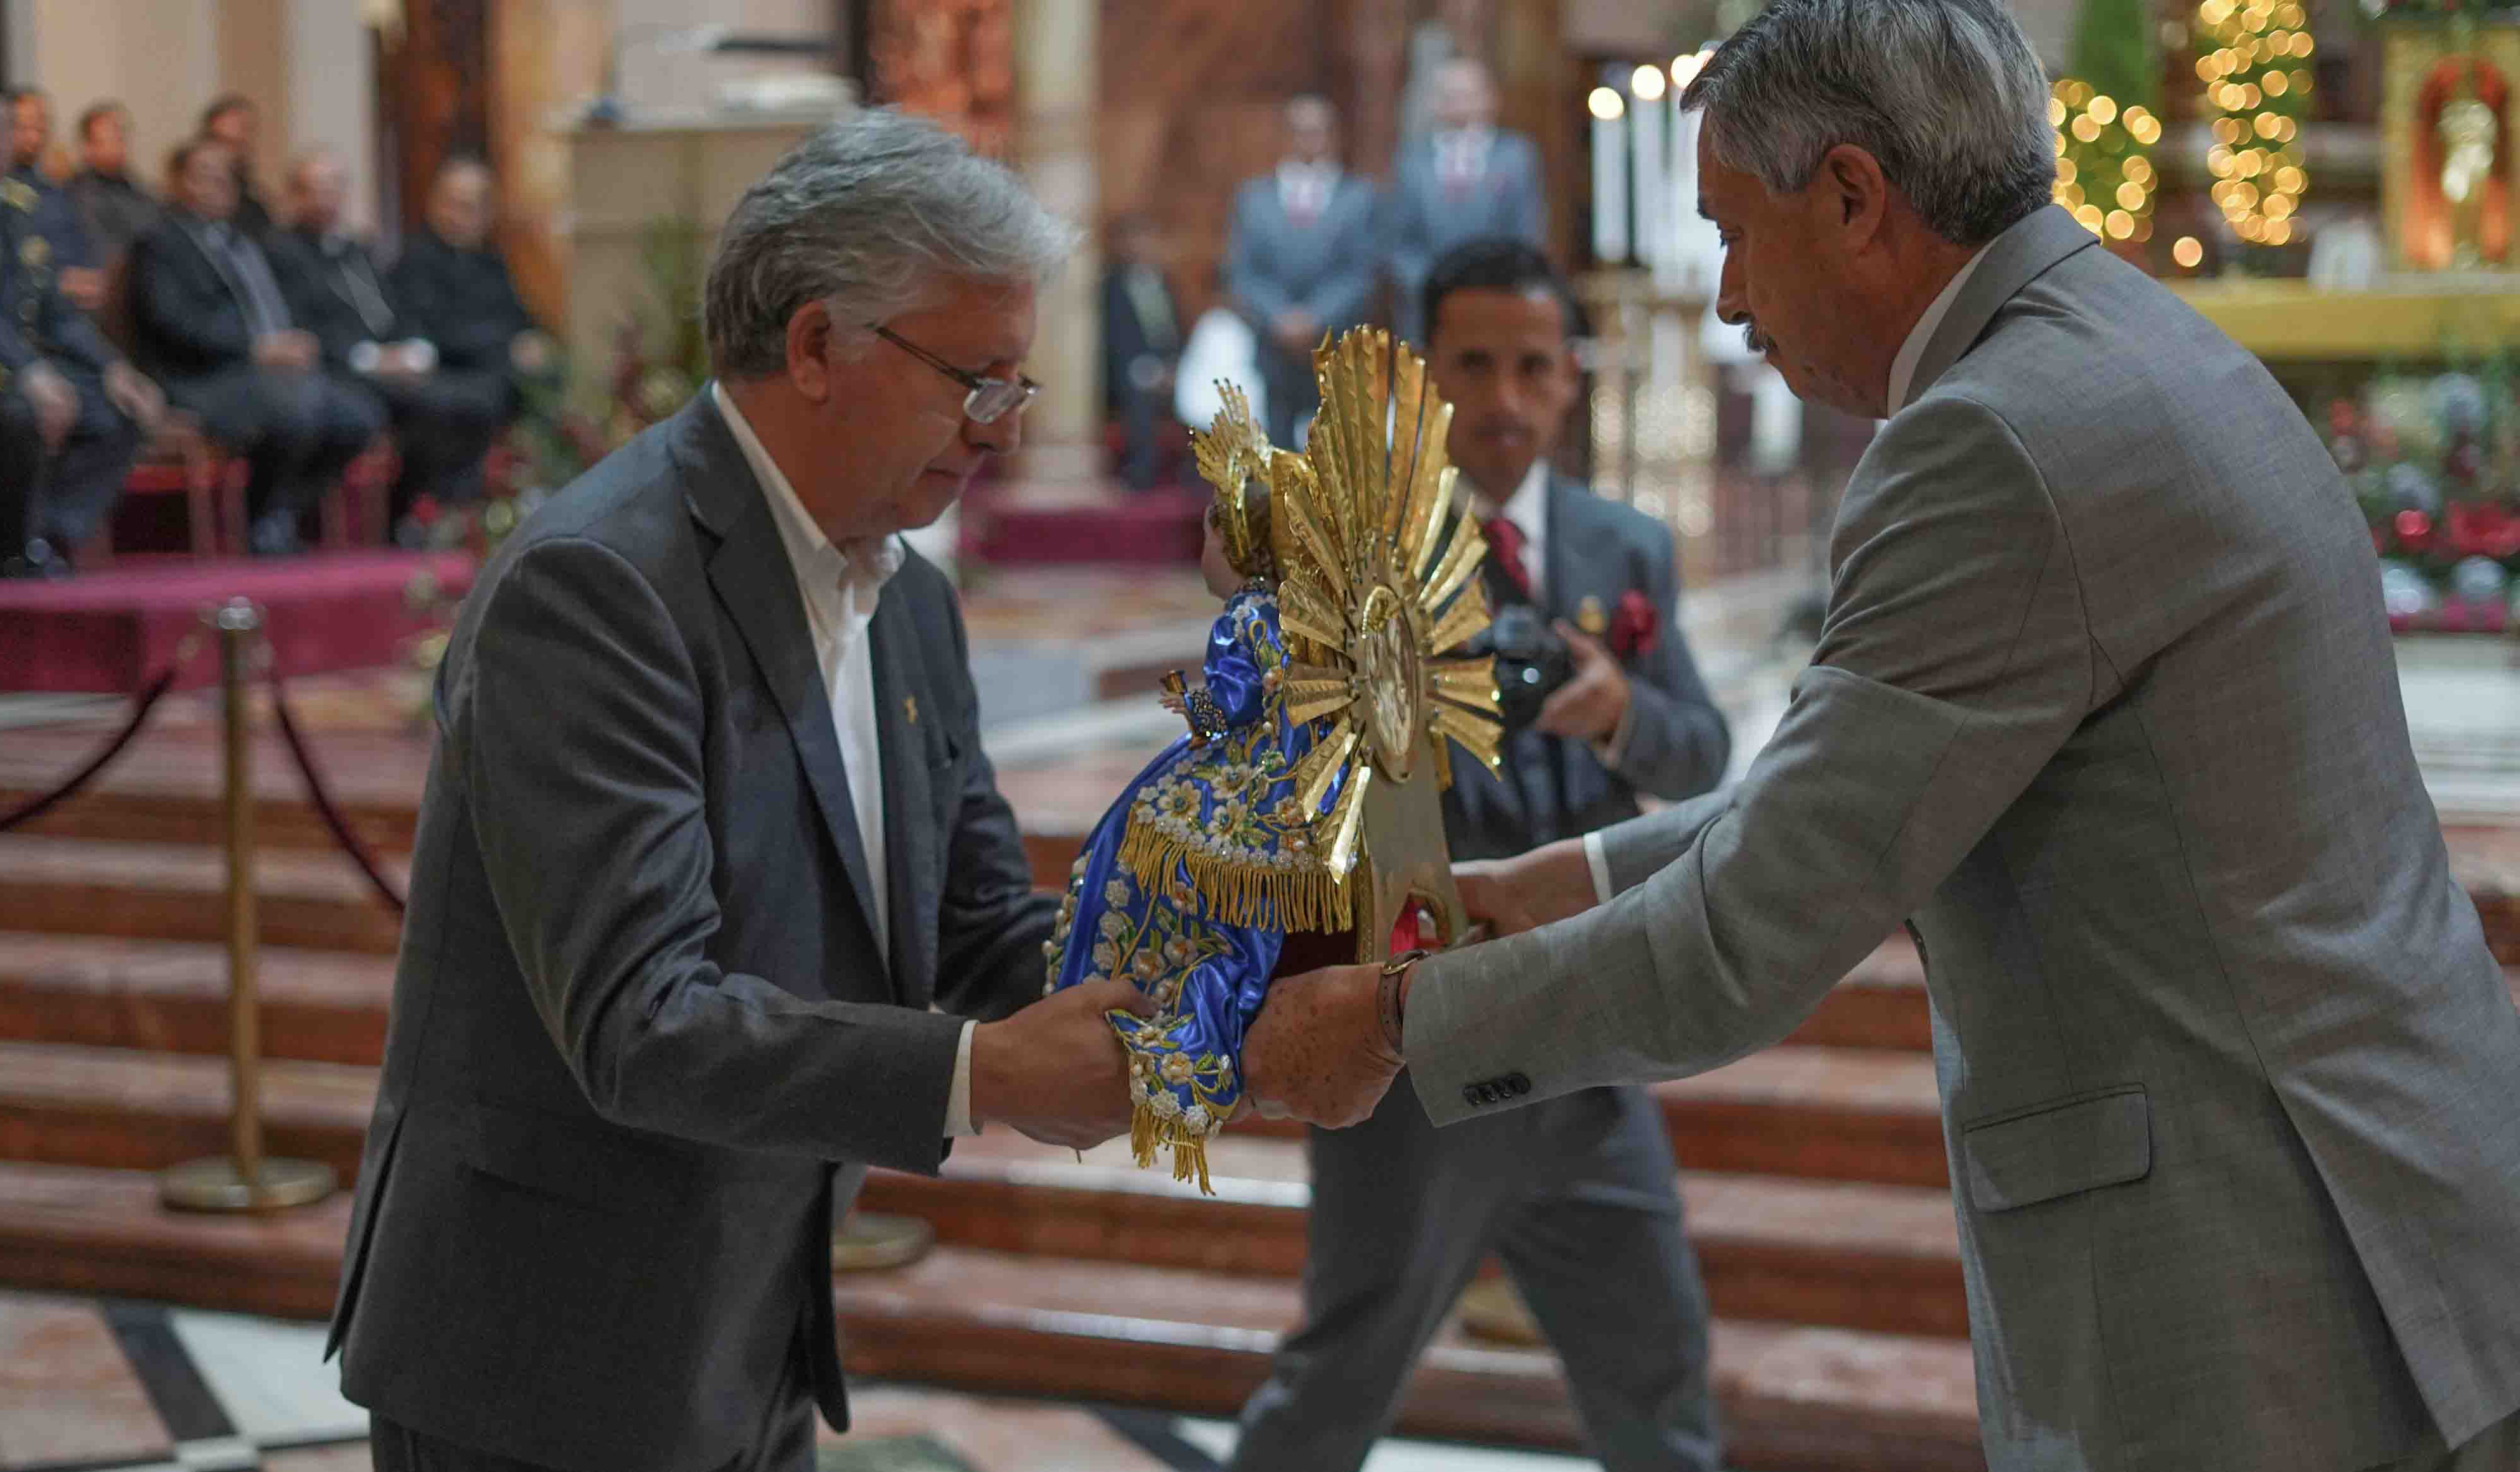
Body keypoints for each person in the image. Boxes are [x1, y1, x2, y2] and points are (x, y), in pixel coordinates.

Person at [1242, 4, 2520, 1471]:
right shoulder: (2124, 343)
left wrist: (1393, 1027)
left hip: (2256, 1265)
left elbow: (1752, 931)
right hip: (2377, 1182)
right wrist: (1546, 884)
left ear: (1851, 196)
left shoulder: (1991, 439)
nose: (1724, 295)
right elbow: (1855, 795)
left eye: (1731, 229)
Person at [327, 109, 1143, 1472]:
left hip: (749, 1319)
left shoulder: (910, 602)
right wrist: (985, 1071)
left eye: (1020, 388)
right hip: (544, 1360)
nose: (1001, 432)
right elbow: (641, 1023)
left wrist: (1219, 962)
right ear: (820, 346)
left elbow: (984, 929)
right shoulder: (598, 588)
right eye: (976, 381)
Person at [1227, 240, 1725, 1472]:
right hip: (1412, 1041)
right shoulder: (1358, 546)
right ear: (1426, 381)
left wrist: (1623, 711)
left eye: (1533, 366)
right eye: (1474, 366)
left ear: (1571, 380)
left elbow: (1704, 754)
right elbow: (1281, 762)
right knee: (1345, 1370)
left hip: (1587, 1033)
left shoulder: (1625, 548)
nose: (1504, 399)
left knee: (1658, 1365)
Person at [1041, 394, 1353, 1188]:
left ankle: (1164, 1008)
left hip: (1244, 780)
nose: (1202, 546)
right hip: (1301, 785)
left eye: (1212, 531)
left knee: (1137, 835)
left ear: (1241, 542)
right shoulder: (1295, 611)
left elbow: (1228, 714)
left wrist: (1188, 700)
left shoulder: (1243, 618)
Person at [0, 79, 161, 577]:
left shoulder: (22, 208)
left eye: (5, 127)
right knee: (20, 410)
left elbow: (53, 311)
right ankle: (7, 551)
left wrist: (111, 367)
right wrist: (30, 371)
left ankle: (47, 531)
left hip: (4, 367)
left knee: (120, 410)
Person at [126, 137, 380, 555]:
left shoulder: (242, 242)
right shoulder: (161, 243)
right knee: (296, 411)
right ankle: (259, 516)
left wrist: (291, 342)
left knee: (358, 415)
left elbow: (274, 307)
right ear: (177, 183)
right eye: (203, 176)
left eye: (226, 178)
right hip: (200, 376)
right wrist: (255, 348)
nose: (217, 185)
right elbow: (173, 322)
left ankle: (286, 506)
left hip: (263, 371)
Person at [266, 149, 505, 525]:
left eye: (334, 189)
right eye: (315, 190)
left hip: (386, 366)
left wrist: (414, 350)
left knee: (475, 397)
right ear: (295, 196)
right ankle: (404, 511)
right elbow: (301, 329)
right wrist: (371, 358)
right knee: (435, 405)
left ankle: (453, 511)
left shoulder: (354, 251)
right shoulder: (280, 252)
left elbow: (392, 312)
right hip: (338, 370)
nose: (327, 200)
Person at [383, 157, 552, 528]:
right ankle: (450, 510)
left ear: (486, 213)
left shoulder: (490, 261)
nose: (458, 215)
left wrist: (532, 339)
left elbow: (517, 315)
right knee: (475, 398)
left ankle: (535, 494)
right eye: (451, 202)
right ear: (435, 204)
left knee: (552, 377)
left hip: (488, 371)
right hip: (440, 374)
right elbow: (435, 332)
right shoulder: (417, 258)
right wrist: (507, 347)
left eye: (470, 206)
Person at [1223, 94, 1377, 446]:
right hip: (1274, 344)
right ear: (1285, 136)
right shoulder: (1253, 198)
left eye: (1318, 131)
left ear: (1334, 135)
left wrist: (1315, 318)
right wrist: (1280, 318)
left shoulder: (1359, 197)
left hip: (1335, 343)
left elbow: (1360, 271)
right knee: (1277, 449)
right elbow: (1243, 272)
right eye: (1300, 131)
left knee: (1337, 448)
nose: (1310, 139)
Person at [1386, 58, 1543, 340]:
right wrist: (1435, 290)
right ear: (1434, 103)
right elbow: (1399, 244)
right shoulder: (1411, 161)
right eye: (1449, 95)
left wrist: (1491, 291)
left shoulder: (1516, 157)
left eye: (1468, 94)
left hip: (1498, 307)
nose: (1459, 103)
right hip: (1428, 314)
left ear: (1491, 99)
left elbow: (1525, 235)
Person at [1100, 212, 1185, 489]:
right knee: (1137, 394)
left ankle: (1194, 475)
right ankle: (1141, 472)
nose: (1140, 245)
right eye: (1134, 239)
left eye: (1146, 239)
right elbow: (1114, 342)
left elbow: (1175, 333)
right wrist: (1149, 371)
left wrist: (1175, 368)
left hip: (1169, 367)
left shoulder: (1164, 282)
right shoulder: (1110, 285)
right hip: (1130, 370)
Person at [6, 86, 99, 313]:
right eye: (24, 126)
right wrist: (60, 283)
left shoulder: (56, 190)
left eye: (41, 126)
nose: (34, 136)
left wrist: (88, 277)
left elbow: (80, 244)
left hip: (71, 311)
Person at [67, 100, 159, 264]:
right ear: (87, 147)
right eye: (106, 140)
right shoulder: (79, 195)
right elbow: (104, 254)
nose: (117, 147)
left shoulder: (138, 188)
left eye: (120, 138)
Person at [199, 93, 275, 235]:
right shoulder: (196, 203)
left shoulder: (256, 204)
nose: (234, 153)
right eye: (225, 142)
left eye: (242, 142)